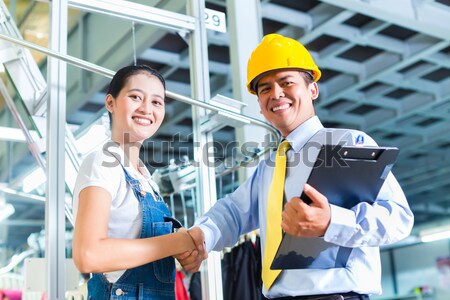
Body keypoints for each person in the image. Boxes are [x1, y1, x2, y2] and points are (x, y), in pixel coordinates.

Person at [177, 34, 414, 299]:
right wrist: (201, 236)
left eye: (286, 82)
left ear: (312, 89)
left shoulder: (347, 143)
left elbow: (398, 219)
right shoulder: (269, 167)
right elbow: (234, 212)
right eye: (265, 88)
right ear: (260, 104)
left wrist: (332, 221)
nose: (276, 93)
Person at [72, 65, 195, 299]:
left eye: (157, 102)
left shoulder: (148, 181)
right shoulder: (103, 162)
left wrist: (186, 250)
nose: (146, 108)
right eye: (136, 97)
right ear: (111, 103)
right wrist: (175, 243)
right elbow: (88, 255)